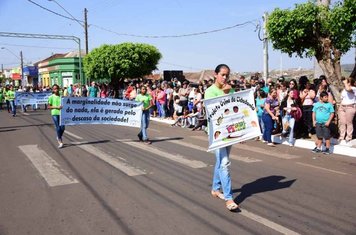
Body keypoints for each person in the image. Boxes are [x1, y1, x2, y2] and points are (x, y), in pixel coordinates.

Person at [205, 64, 238, 211]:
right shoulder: (210, 92)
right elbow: (215, 112)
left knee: (220, 162)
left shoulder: (230, 90)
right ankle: (229, 198)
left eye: (227, 75)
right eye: (222, 75)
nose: (225, 78)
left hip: (229, 132)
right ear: (215, 74)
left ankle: (215, 188)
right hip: (217, 133)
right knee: (224, 163)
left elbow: (234, 111)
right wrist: (225, 94)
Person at [338, 77, 356, 144]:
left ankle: (348, 137)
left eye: (347, 81)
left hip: (350, 107)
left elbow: (348, 89)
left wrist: (345, 83)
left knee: (349, 122)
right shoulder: (344, 89)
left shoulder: (353, 88)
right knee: (342, 122)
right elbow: (342, 98)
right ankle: (342, 136)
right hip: (342, 107)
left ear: (349, 82)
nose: (345, 82)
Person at [48, 84, 65, 148]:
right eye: (54, 89)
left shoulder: (61, 96)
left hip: (62, 113)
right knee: (58, 127)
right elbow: (49, 106)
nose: (56, 90)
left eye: (57, 88)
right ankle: (60, 141)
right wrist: (56, 107)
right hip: (54, 113)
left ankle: (58, 136)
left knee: (63, 128)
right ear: (53, 90)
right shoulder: (51, 97)